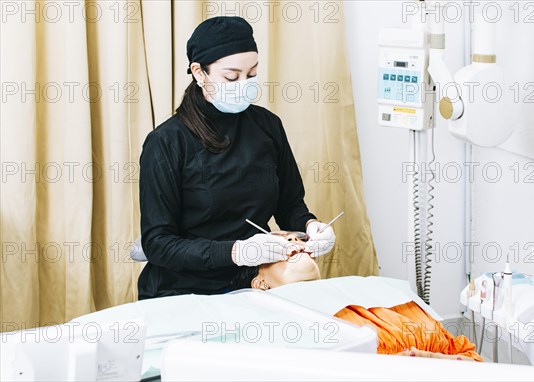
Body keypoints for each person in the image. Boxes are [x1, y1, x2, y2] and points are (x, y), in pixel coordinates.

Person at [137, 16, 335, 300]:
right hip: (181, 289)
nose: (244, 84)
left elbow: (290, 204)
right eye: (232, 76)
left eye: (251, 75)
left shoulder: (267, 126)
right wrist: (236, 251)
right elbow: (159, 244)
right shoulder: (166, 143)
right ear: (199, 72)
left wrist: (310, 225)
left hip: (251, 281)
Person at [231, 231, 483, 362]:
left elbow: (467, 355)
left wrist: (434, 361)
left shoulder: (366, 289)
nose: (293, 239)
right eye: (278, 244)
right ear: (259, 283)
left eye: (296, 238)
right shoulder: (274, 328)